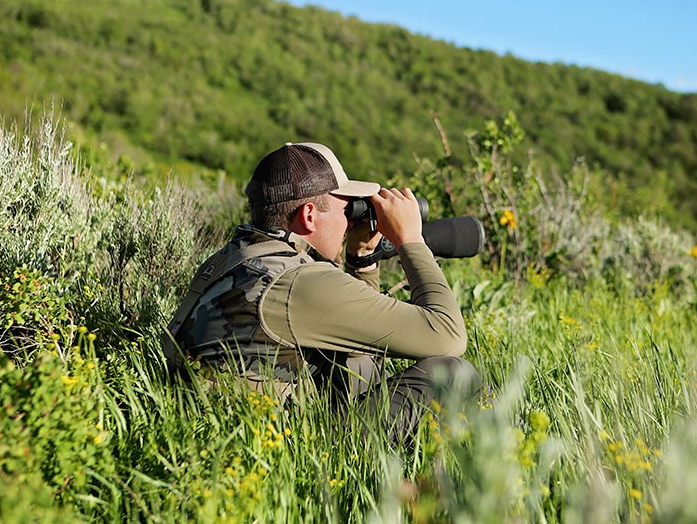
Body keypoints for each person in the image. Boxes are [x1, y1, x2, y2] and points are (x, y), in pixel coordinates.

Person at [165, 142, 480, 446]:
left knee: (351, 361)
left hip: (218, 434)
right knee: (453, 373)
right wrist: (410, 240)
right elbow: (447, 337)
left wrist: (362, 260)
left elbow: (358, 346)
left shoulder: (237, 257)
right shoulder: (298, 282)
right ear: (309, 215)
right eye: (346, 210)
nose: (349, 223)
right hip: (280, 454)